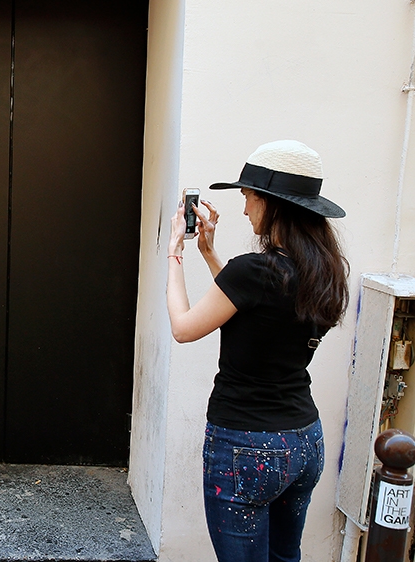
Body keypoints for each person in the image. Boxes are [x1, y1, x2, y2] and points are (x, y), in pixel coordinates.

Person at [166, 140, 349, 562]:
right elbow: (252, 307)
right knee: (285, 557)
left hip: (248, 445)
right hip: (304, 441)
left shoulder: (255, 272)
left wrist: (175, 252)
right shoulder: (320, 270)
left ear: (272, 203)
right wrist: (210, 254)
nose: (245, 208)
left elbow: (183, 328)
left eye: (248, 196)